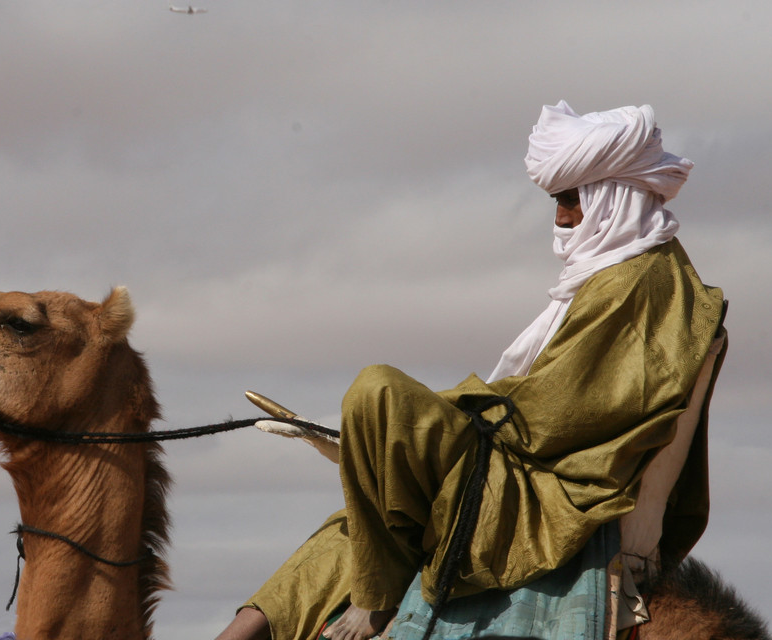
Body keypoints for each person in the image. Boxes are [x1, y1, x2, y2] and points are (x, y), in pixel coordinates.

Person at [214, 101, 727, 640]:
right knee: (355, 522)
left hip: (556, 492)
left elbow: (553, 419)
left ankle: (373, 602)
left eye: (572, 200)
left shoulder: (639, 283)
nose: (562, 218)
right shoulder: (627, 275)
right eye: (558, 201)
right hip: (531, 458)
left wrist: (416, 422)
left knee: (376, 392)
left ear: (615, 195)